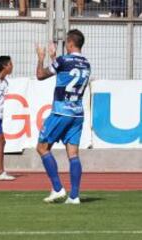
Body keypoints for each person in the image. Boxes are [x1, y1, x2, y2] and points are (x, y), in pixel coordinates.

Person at [35, 29, 91, 204]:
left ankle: (58, 188)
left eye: (66, 42)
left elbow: (40, 75)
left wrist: (41, 57)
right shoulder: (87, 63)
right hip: (77, 113)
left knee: (42, 148)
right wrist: (54, 58)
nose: (65, 45)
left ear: (71, 43)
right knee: (73, 154)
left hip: (61, 111)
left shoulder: (63, 60)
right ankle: (74, 196)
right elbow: (65, 74)